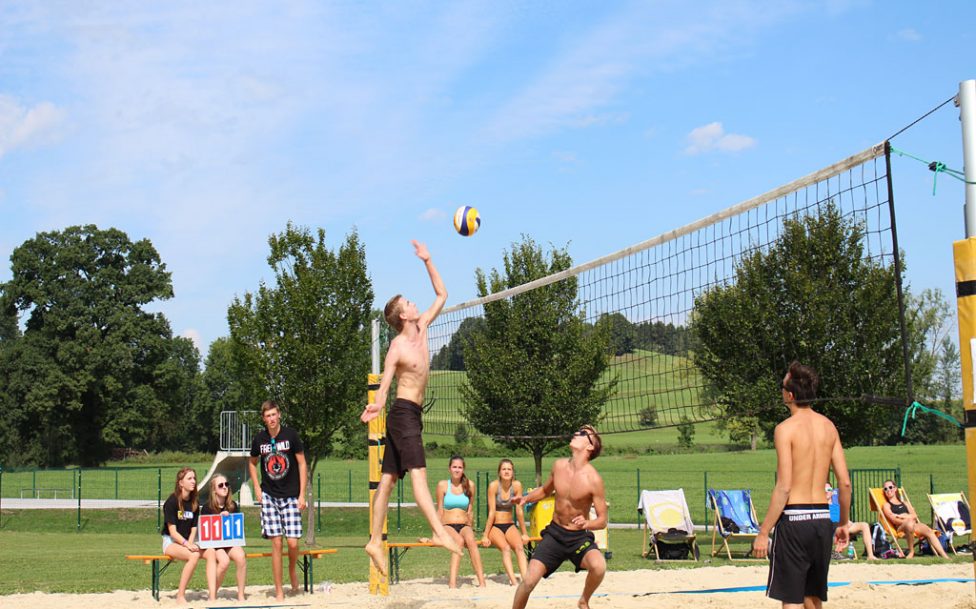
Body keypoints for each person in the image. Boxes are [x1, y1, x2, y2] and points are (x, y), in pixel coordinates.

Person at [361, 240, 463, 576]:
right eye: (408, 302)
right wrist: (376, 406)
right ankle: (438, 531)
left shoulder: (422, 327)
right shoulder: (398, 346)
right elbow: (387, 381)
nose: (414, 303)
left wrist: (428, 259)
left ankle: (374, 540)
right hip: (402, 415)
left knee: (387, 481)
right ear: (402, 315)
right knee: (418, 475)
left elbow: (442, 294)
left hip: (409, 415)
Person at [753, 361, 851, 609]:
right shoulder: (829, 426)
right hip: (822, 520)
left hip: (795, 521)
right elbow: (845, 483)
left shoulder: (784, 430)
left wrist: (764, 532)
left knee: (792, 599)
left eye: (782, 386)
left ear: (790, 394)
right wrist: (843, 523)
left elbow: (784, 487)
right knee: (813, 597)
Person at [511, 425, 607, 609]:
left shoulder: (594, 480)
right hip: (555, 534)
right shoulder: (559, 465)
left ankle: (584, 600)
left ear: (590, 447)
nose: (577, 433)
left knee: (599, 566)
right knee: (529, 581)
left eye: (583, 433)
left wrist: (587, 523)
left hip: (578, 537)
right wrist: (525, 498)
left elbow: (602, 520)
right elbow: (545, 491)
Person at [248, 400, 308, 600]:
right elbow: (252, 462)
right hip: (269, 496)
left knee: (292, 543)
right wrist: (256, 487)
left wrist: (302, 494)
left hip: (291, 495)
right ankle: (279, 589)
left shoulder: (291, 435)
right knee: (276, 543)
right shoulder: (260, 439)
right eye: (268, 416)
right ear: (263, 419)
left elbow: (301, 463)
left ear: (279, 415)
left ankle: (292, 570)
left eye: (274, 415)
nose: (271, 419)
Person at [436, 455, 486, 588]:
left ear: (463, 469)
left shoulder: (470, 485)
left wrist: (470, 526)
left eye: (460, 467)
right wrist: (436, 532)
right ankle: (452, 583)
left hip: (464, 524)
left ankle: (482, 582)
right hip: (447, 525)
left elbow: (470, 508)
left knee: (471, 541)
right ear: (449, 469)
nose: (457, 470)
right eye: (454, 467)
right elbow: (439, 509)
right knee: (458, 541)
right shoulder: (442, 485)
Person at [481, 458, 530, 585]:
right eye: (504, 469)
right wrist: (485, 535)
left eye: (509, 469)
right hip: (495, 525)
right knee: (506, 548)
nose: (506, 471)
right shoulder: (494, 486)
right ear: (499, 472)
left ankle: (526, 580)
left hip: (509, 524)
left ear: (513, 472)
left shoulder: (517, 486)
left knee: (519, 547)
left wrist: (524, 533)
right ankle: (513, 581)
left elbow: (519, 511)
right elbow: (491, 512)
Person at [201, 474, 247, 601]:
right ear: (214, 490)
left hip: (229, 543)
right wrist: (218, 518)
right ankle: (213, 593)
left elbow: (236, 528)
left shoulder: (232, 505)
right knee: (224, 561)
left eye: (226, 484)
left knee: (241, 556)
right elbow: (205, 533)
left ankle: (241, 595)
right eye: (220, 485)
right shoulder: (207, 508)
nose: (225, 487)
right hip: (214, 545)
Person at [161, 467, 201, 604]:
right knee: (194, 555)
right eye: (189, 478)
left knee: (211, 553)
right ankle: (180, 596)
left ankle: (213, 594)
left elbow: (194, 529)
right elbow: (172, 532)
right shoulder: (171, 502)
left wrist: (189, 544)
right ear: (180, 483)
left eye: (194, 478)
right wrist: (187, 545)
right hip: (171, 541)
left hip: (186, 541)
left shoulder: (195, 502)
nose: (193, 481)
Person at [880, 479, 949, 559]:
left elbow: (915, 516)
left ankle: (944, 556)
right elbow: (894, 520)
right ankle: (911, 551)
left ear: (895, 489)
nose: (888, 490)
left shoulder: (905, 503)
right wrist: (907, 519)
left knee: (929, 531)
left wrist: (903, 515)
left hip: (914, 525)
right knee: (909, 524)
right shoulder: (887, 505)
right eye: (886, 489)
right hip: (900, 528)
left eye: (890, 487)